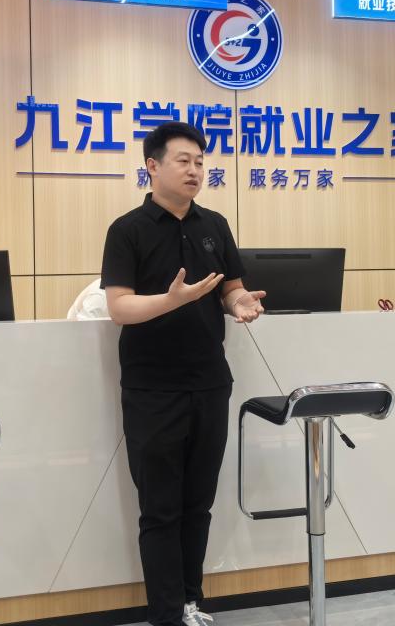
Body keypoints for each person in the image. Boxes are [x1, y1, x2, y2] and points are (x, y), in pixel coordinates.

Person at [100, 122, 265, 626]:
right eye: (183, 161)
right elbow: (119, 308)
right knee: (160, 508)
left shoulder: (214, 224)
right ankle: (167, 614)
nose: (195, 170)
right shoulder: (127, 230)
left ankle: (192, 601)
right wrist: (171, 301)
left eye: (199, 162)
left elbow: (230, 287)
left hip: (210, 382)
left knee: (199, 503)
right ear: (152, 166)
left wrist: (241, 302)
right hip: (152, 388)